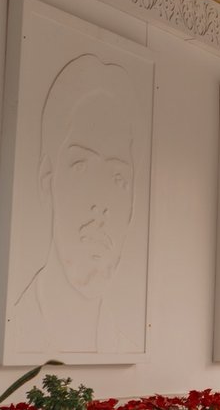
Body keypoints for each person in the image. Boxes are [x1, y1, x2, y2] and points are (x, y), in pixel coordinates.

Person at [10, 54, 141, 354]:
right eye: (82, 167)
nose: (102, 204)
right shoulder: (18, 327)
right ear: (47, 179)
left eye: (118, 178)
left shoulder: (123, 346)